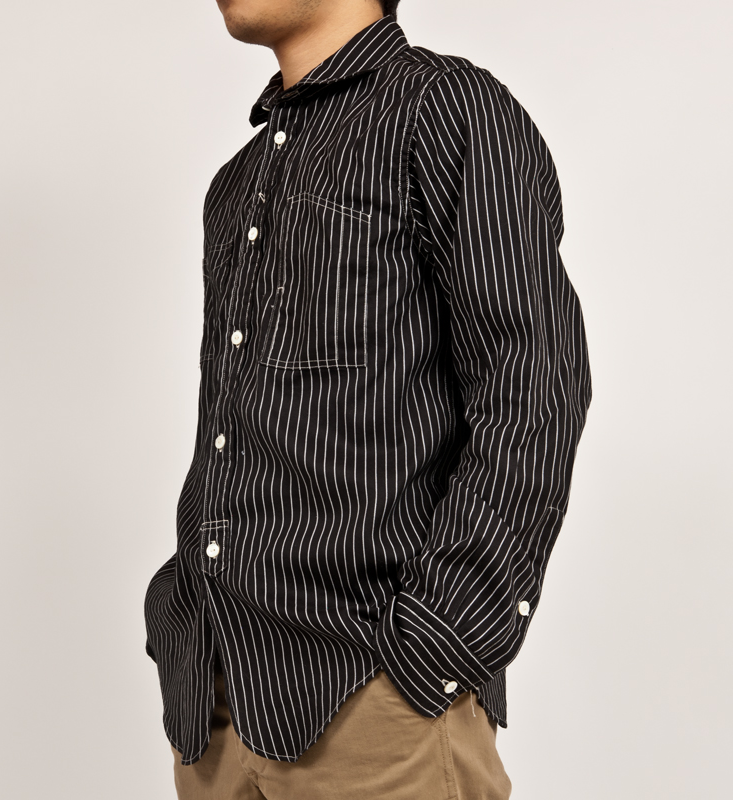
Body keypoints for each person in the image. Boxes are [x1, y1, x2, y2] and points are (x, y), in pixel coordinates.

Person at [144, 0, 592, 797]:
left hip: (371, 701)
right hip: (211, 711)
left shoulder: (442, 108)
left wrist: (437, 644)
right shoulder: (235, 186)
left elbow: (534, 385)